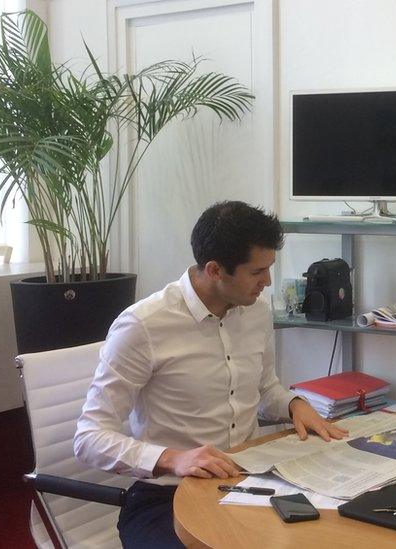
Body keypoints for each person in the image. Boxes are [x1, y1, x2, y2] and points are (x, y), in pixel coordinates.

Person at [74, 200, 347, 548]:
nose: (266, 281)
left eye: (269, 268)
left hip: (250, 483)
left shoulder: (256, 312)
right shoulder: (143, 326)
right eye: (256, 272)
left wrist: (294, 405)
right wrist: (174, 459)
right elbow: (88, 437)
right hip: (164, 498)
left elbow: (265, 389)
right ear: (215, 270)